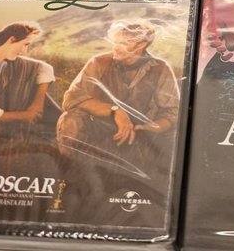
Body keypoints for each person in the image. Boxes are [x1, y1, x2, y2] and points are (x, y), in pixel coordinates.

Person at [56, 20, 179, 180]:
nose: (116, 47)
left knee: (171, 142)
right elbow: (71, 98)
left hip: (137, 131)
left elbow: (173, 110)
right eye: (115, 42)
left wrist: (151, 128)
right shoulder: (99, 62)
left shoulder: (161, 68)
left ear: (141, 45)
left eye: (123, 43)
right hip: (97, 125)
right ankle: (69, 178)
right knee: (70, 120)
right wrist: (115, 111)